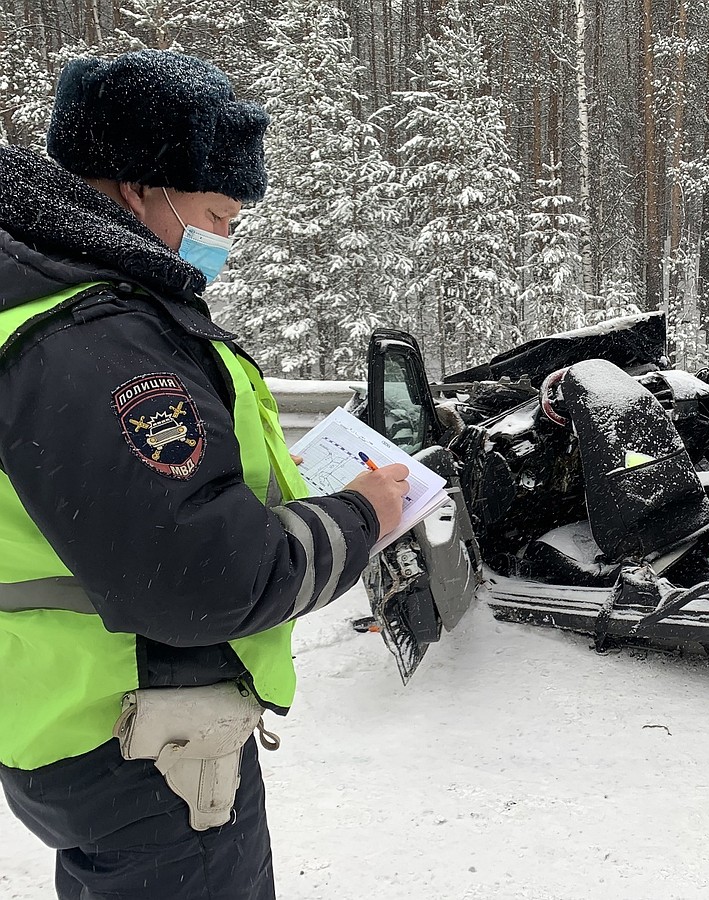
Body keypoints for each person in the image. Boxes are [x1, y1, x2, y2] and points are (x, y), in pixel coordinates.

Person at [0, 50, 409, 899]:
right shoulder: (98, 334)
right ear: (142, 190)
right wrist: (362, 515)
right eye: (219, 213)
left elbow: (132, 501)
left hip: (75, 716)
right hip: (149, 744)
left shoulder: (51, 297)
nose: (225, 238)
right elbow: (200, 577)